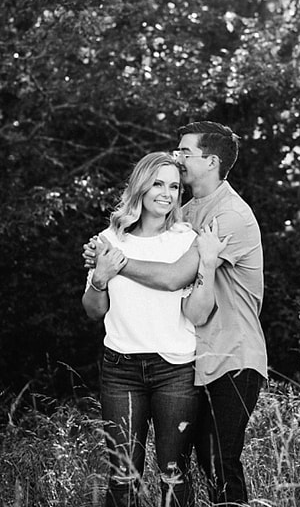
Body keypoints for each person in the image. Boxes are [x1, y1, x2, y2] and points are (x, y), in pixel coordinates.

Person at [85, 122, 267, 506]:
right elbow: (149, 243)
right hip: (195, 355)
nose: (178, 158)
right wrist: (102, 259)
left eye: (186, 153)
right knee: (193, 462)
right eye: (160, 183)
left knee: (219, 463)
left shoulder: (230, 215)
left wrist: (113, 261)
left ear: (211, 161)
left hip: (231, 354)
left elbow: (171, 278)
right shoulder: (185, 213)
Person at [82, 151, 219, 507]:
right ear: (140, 187)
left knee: (174, 475)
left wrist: (116, 262)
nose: (167, 193)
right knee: (123, 476)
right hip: (120, 370)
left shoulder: (186, 239)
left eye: (174, 186)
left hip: (175, 369)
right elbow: (94, 311)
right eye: (158, 183)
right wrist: (99, 278)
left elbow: (183, 295)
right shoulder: (109, 238)